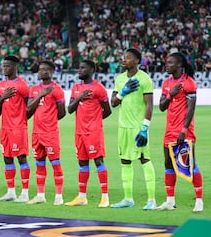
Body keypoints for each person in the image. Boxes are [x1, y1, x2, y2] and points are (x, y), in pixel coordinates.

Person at [110, 48, 157, 210]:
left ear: (137, 61)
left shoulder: (144, 79)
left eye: (128, 58)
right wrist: (123, 92)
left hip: (138, 127)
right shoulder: (120, 78)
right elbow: (113, 103)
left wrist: (145, 128)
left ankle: (152, 200)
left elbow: (150, 105)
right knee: (125, 161)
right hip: (123, 127)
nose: (124, 60)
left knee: (144, 160)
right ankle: (128, 199)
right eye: (124, 58)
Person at [156, 52, 203, 212]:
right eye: (167, 62)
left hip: (184, 132)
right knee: (168, 163)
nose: (167, 64)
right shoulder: (167, 83)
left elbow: (191, 108)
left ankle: (199, 200)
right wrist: (171, 94)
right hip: (169, 131)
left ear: (179, 65)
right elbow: (162, 106)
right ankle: (170, 201)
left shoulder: (189, 83)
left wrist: (184, 130)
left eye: (170, 62)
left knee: (190, 164)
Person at [65, 60, 111, 208]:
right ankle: (82, 197)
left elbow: (108, 110)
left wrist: (95, 121)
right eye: (79, 67)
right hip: (79, 132)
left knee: (98, 162)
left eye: (83, 68)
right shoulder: (76, 88)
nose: (79, 70)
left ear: (91, 70)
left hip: (93, 132)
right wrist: (79, 98)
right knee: (82, 163)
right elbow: (70, 109)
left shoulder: (99, 88)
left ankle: (105, 197)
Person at [26, 60, 66, 206]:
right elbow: (28, 109)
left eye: (44, 69)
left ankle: (59, 196)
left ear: (51, 72)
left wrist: (50, 123)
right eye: (40, 69)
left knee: (55, 163)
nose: (41, 72)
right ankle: (40, 195)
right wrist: (41, 95)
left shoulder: (57, 89)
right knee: (39, 164)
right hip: (36, 133)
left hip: (50, 134)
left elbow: (62, 112)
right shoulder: (34, 89)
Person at [0, 55, 30, 203]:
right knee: (7, 158)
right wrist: (2, 97)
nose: (4, 68)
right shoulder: (1, 85)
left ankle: (25, 192)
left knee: (21, 158)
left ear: (15, 67)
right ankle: (10, 192)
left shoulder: (22, 85)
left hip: (18, 128)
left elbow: (28, 108)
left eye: (7, 66)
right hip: (5, 128)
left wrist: (20, 123)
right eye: (3, 66)